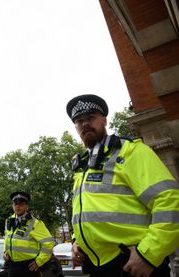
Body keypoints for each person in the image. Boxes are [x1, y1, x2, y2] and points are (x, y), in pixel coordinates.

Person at [66, 94, 179, 277]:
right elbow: (83, 213)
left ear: (104, 120)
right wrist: (76, 241)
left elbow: (170, 201)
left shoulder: (132, 151)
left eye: (90, 117)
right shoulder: (82, 166)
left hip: (134, 263)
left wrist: (148, 254)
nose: (85, 123)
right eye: (79, 121)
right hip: (98, 266)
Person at [3, 191, 56, 277]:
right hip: (12, 267)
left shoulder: (35, 223)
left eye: (21, 204)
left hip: (29, 267)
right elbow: (6, 238)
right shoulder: (9, 221)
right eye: (15, 203)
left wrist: (39, 262)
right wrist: (5, 251)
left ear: (27, 206)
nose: (17, 206)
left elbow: (49, 243)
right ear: (12, 205)